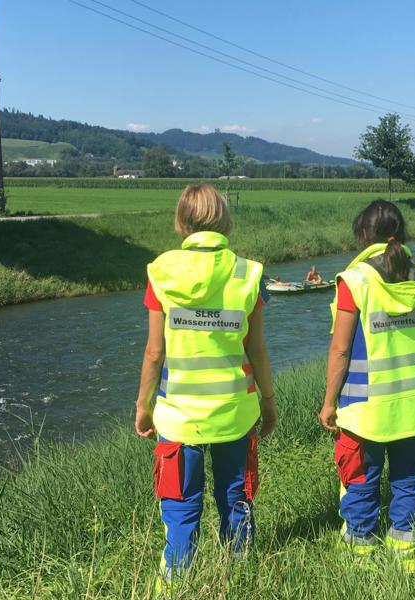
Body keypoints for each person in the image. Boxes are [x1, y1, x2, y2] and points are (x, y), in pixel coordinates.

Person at [134, 184, 278, 583]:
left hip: (178, 418)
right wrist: (268, 401)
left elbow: (153, 352)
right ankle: (242, 578)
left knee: (180, 504)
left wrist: (143, 406)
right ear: (225, 222)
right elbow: (259, 352)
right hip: (235, 413)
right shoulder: (249, 274)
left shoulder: (160, 272)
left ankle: (176, 583)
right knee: (236, 497)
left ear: (181, 223)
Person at [318, 199, 415, 572]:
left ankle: (361, 556)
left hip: (363, 411)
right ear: (401, 233)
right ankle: (406, 555)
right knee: (407, 482)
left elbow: (340, 352)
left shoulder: (354, 281)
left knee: (360, 481)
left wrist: (328, 404)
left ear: (363, 235)